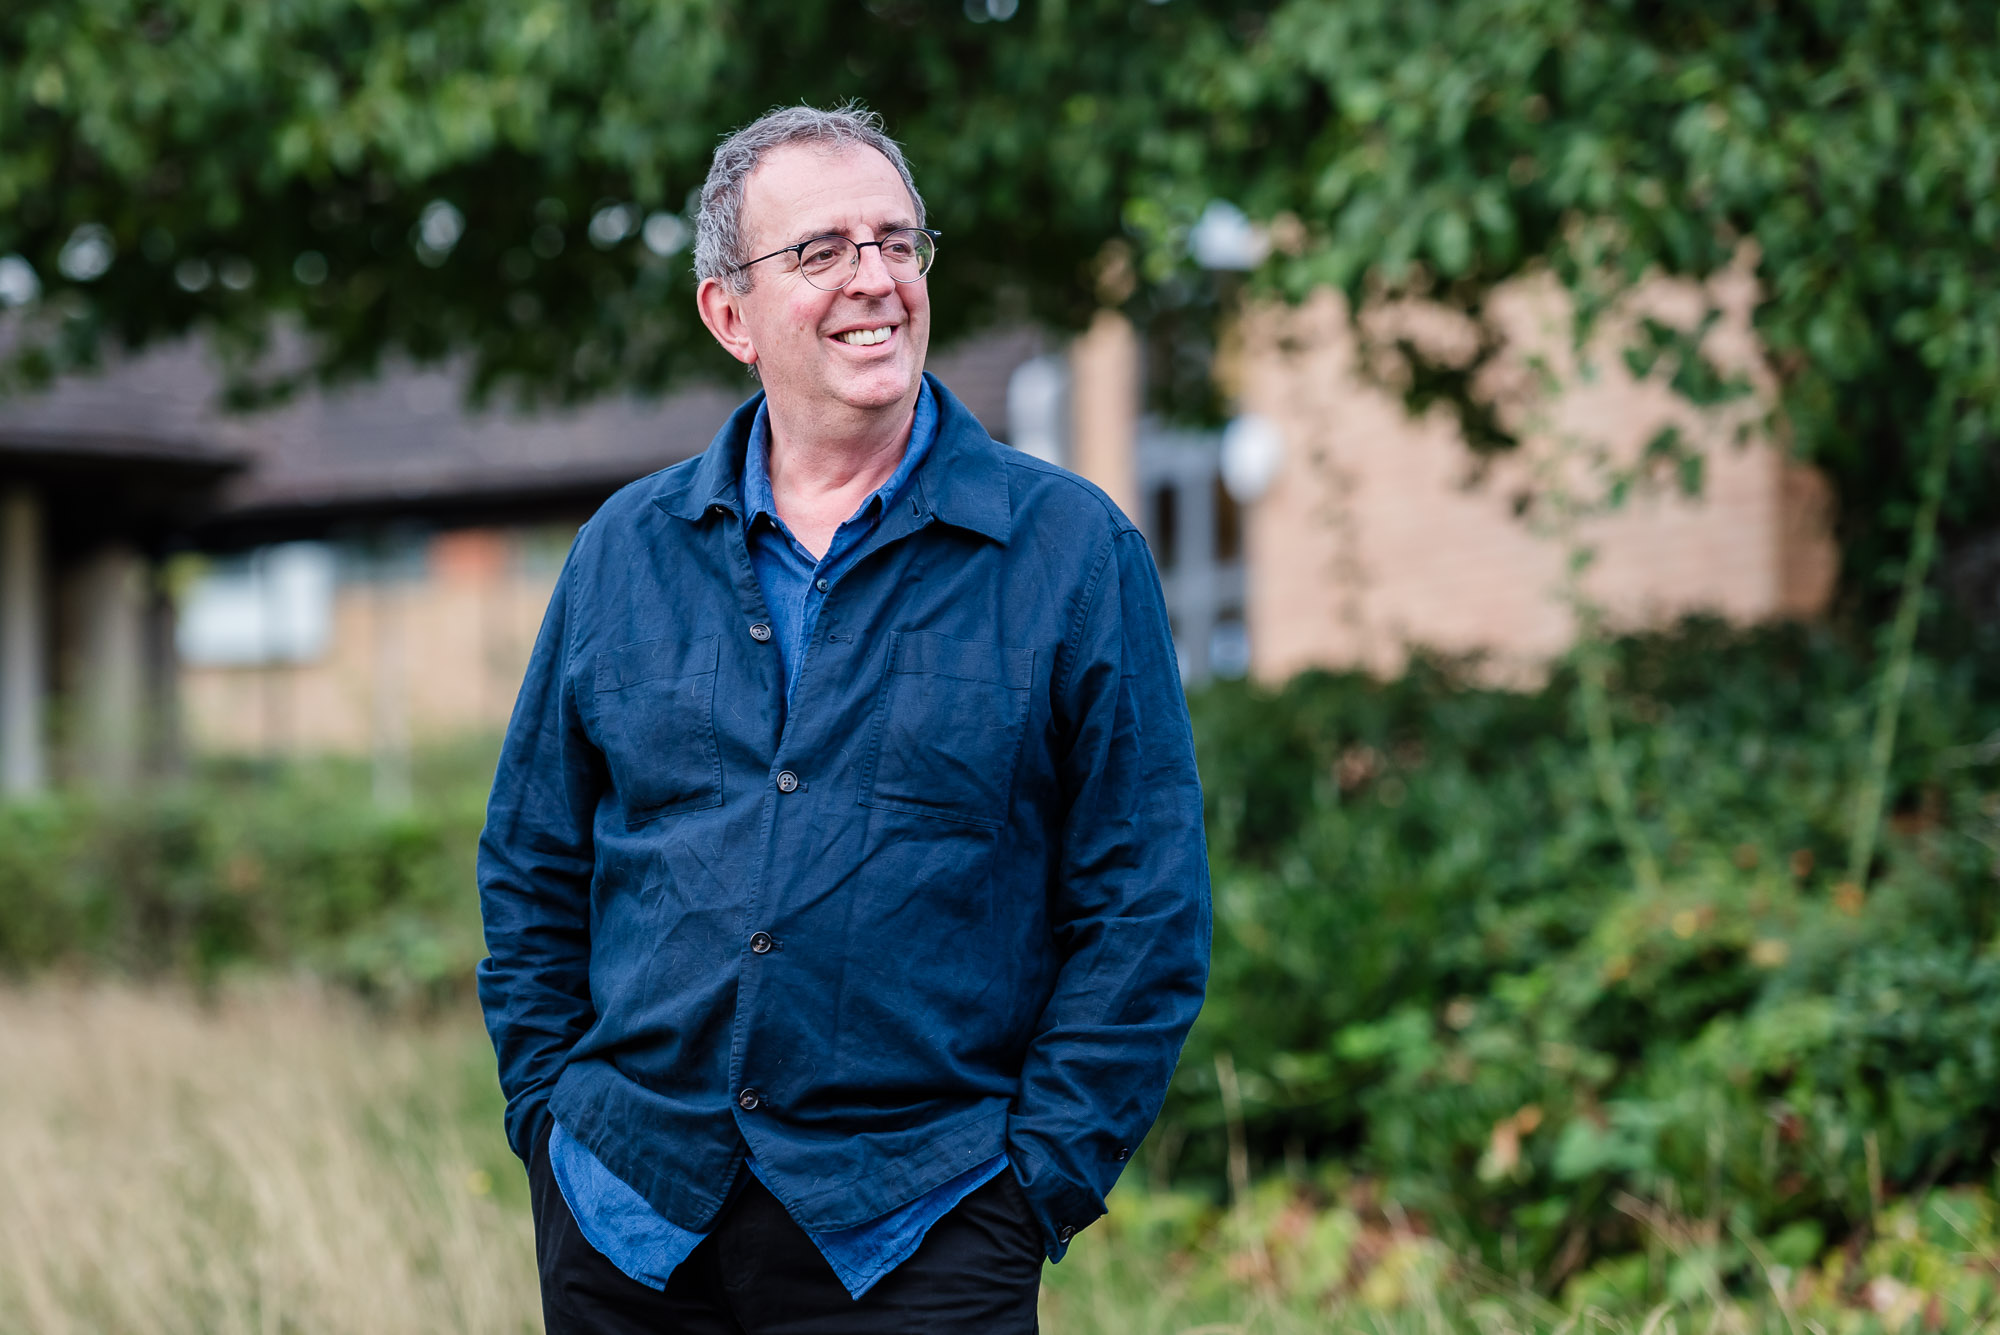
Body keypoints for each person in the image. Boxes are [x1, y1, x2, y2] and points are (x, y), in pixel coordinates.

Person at [476, 102, 1210, 1334]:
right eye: (819, 251)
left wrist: (1036, 1187)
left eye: (897, 242)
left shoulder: (1072, 554)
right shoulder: (624, 553)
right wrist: (546, 1120)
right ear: (729, 315)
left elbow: (1144, 906)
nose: (874, 279)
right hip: (628, 1220)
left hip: (922, 1231)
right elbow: (531, 859)